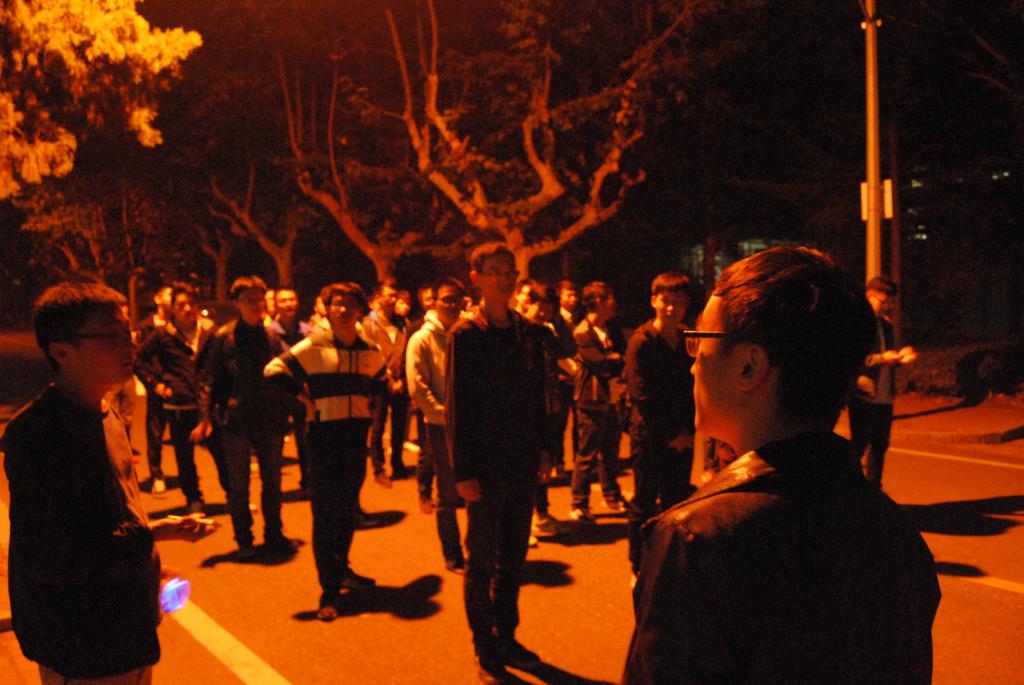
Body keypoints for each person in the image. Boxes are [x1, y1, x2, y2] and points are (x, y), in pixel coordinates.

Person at [623, 246, 940, 684]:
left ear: (750, 367)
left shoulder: (696, 541)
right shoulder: (897, 533)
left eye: (701, 342)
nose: (693, 364)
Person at [2, 282, 215, 684]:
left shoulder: (108, 415)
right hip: (81, 646)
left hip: (128, 628)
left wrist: (153, 551)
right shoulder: (38, 435)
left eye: (128, 332)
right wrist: (146, 541)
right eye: (111, 335)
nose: (130, 345)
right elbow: (49, 556)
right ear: (61, 351)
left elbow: (109, 521)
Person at [446, 243, 551, 684]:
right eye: (495, 271)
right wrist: (463, 472)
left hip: (522, 462)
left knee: (514, 559)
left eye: (510, 271)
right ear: (476, 278)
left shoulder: (528, 332)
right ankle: (484, 646)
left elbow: (540, 395)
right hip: (484, 468)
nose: (505, 279)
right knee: (481, 562)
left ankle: (507, 636)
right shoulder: (465, 334)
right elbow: (458, 407)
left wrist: (546, 448)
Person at [265, 282, 387, 621]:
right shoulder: (314, 345)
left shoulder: (370, 350)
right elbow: (273, 371)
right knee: (324, 515)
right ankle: (329, 591)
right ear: (327, 308)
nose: (343, 309)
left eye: (350, 303)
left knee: (346, 512)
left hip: (354, 438)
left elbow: (380, 380)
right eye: (337, 303)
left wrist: (372, 415)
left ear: (360, 309)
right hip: (323, 437)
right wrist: (305, 400)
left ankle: (342, 569)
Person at [196, 276, 295, 558]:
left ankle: (274, 533)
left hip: (270, 419)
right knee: (239, 485)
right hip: (235, 420)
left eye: (259, 298)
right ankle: (244, 539)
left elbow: (284, 374)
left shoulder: (271, 337)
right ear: (237, 303)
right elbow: (206, 379)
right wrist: (205, 417)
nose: (255, 303)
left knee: (273, 483)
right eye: (248, 299)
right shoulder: (222, 336)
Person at [624, 272, 697, 577]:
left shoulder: (688, 340)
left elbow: (695, 388)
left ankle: (669, 566)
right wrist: (672, 434)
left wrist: (688, 432)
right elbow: (642, 395)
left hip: (684, 436)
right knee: (643, 502)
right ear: (653, 300)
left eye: (678, 302)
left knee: (676, 503)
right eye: (665, 301)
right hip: (650, 436)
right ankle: (638, 566)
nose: (671, 308)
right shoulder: (642, 342)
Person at [135, 281, 223, 514]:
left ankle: (233, 497)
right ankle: (194, 500)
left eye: (191, 304)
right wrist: (156, 383)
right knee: (185, 458)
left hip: (209, 405)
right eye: (181, 304)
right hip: (179, 406)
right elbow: (137, 358)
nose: (187, 309)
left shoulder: (210, 332)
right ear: (173, 308)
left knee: (221, 454)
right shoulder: (163, 334)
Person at [406, 277, 467, 572]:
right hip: (440, 425)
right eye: (445, 299)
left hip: (469, 423)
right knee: (447, 493)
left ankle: (478, 548)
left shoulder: (468, 332)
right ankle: (452, 553)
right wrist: (441, 413)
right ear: (434, 302)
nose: (451, 305)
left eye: (456, 299)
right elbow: (417, 385)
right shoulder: (422, 338)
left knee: (475, 488)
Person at [849, 275, 917, 488]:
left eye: (891, 302)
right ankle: (847, 489)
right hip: (864, 393)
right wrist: (883, 358)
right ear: (870, 296)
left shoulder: (886, 326)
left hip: (885, 396)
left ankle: (873, 490)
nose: (889, 306)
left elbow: (889, 357)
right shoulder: (858, 324)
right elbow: (854, 358)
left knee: (880, 445)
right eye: (885, 301)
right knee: (859, 444)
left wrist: (900, 358)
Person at [570, 281, 628, 522]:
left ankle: (611, 495)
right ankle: (579, 502)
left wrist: (615, 358)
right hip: (591, 399)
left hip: (613, 397)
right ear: (597, 301)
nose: (613, 303)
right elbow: (599, 362)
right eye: (609, 298)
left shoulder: (611, 328)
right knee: (587, 454)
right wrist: (613, 358)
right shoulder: (582, 332)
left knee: (611, 452)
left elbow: (622, 357)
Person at [362, 279, 411, 483]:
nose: (393, 299)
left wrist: (402, 379)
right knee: (378, 426)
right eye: (389, 295)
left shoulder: (402, 323)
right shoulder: (369, 324)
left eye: (394, 295)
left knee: (400, 426)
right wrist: (387, 378)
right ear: (378, 297)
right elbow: (370, 355)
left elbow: (406, 351)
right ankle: (378, 467)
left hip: (401, 382)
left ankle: (397, 463)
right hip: (379, 383)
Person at [267, 286, 313, 489]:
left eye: (292, 300)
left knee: (305, 438)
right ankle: (273, 486)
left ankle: (308, 479)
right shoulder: (268, 333)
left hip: (303, 392)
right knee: (274, 440)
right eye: (283, 301)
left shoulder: (308, 331)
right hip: (278, 393)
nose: (288, 304)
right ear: (276, 305)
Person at [136, 285, 173, 495]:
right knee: (155, 434)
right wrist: (153, 383)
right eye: (168, 295)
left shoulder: (177, 325)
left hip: (177, 387)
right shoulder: (146, 327)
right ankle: (156, 474)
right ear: (158, 299)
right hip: (157, 387)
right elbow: (137, 359)